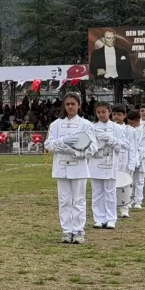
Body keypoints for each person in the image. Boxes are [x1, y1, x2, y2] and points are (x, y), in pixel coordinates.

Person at [45, 93, 95, 244]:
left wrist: (76, 152)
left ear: (79, 105)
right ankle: (67, 231)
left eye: (73, 104)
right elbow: (48, 144)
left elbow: (93, 148)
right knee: (64, 200)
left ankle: (79, 230)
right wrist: (62, 141)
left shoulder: (86, 125)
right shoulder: (56, 124)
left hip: (79, 167)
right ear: (64, 106)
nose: (70, 107)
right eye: (68, 104)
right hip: (61, 167)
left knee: (78, 200)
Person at [88, 102, 126, 230]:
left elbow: (124, 146)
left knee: (110, 192)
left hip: (110, 163)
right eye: (98, 112)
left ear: (109, 112)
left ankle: (111, 218)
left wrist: (110, 139)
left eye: (103, 112)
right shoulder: (91, 127)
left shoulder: (117, 128)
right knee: (97, 192)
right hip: (96, 162)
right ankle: (98, 218)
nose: (101, 114)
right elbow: (87, 146)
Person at [112, 105, 137, 219]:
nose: (116, 117)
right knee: (112, 184)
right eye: (114, 114)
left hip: (126, 159)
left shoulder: (130, 130)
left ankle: (125, 207)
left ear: (125, 115)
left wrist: (132, 162)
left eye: (119, 114)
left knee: (126, 184)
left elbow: (132, 147)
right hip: (112, 159)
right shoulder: (110, 128)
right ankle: (113, 206)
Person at [127, 109, 145, 210]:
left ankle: (138, 201)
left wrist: (142, 154)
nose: (130, 123)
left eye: (132, 121)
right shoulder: (126, 129)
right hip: (129, 158)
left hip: (141, 157)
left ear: (138, 120)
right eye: (129, 121)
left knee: (139, 181)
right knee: (129, 181)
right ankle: (129, 200)